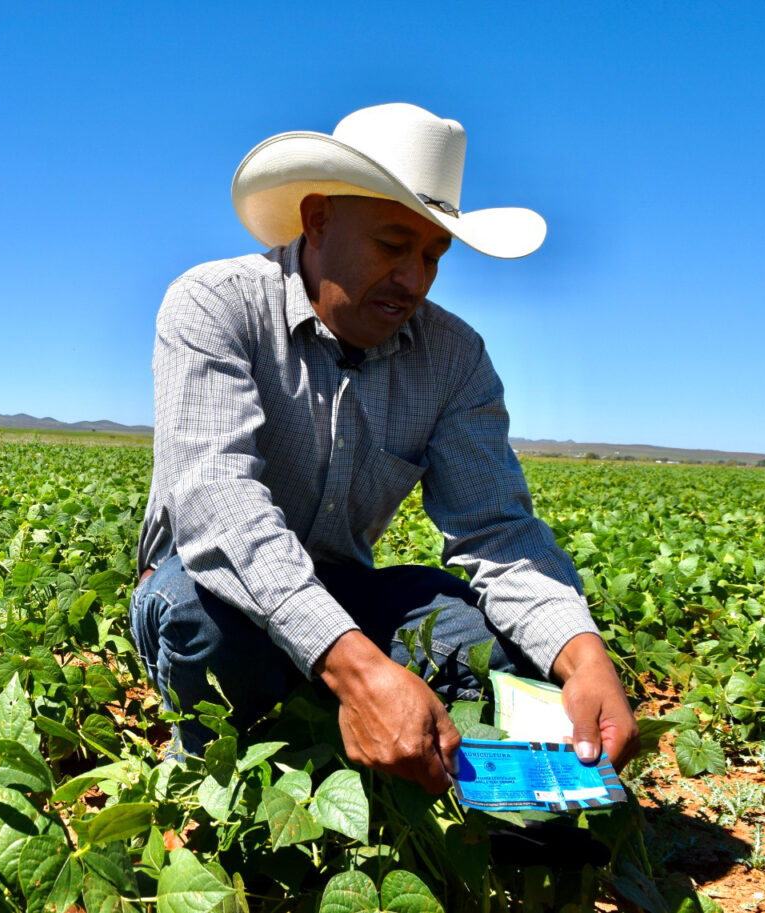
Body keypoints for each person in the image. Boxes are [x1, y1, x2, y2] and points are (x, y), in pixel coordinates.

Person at [131, 102, 639, 793]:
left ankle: (505, 799)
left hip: (341, 588)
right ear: (317, 220)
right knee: (209, 619)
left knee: (491, 643)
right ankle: (208, 785)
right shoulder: (214, 306)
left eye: (433, 254)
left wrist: (583, 658)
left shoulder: (454, 359)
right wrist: (365, 674)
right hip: (203, 582)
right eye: (393, 245)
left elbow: (497, 529)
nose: (415, 278)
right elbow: (220, 512)